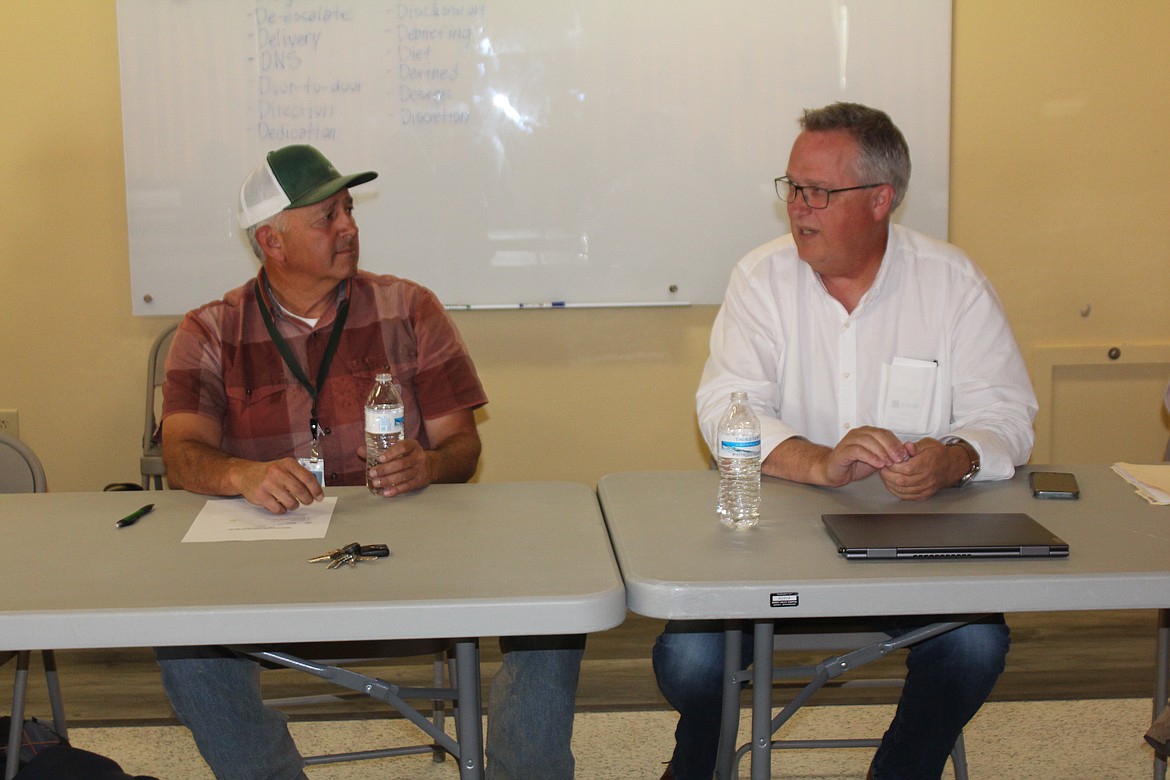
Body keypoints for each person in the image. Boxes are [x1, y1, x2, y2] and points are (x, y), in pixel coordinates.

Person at [155, 144, 583, 780]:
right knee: (184, 647)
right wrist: (242, 475)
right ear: (271, 240)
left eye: (349, 210)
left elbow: (464, 445)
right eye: (327, 218)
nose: (349, 227)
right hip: (266, 567)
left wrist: (430, 466)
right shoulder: (210, 329)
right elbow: (181, 453)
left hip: (410, 553)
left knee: (558, 606)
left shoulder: (409, 308)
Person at [654, 103, 1038, 780]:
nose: (799, 207)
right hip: (776, 545)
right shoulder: (761, 278)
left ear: (881, 199)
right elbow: (724, 411)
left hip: (913, 550)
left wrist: (954, 458)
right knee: (687, 661)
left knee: (974, 646)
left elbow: (1007, 412)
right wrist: (819, 462)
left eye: (820, 193)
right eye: (793, 188)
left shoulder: (951, 283)